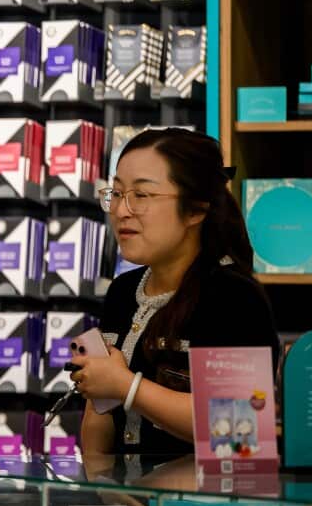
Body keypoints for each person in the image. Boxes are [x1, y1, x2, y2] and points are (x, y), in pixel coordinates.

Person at [72, 128, 279, 456]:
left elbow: (240, 430)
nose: (122, 210)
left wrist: (125, 386)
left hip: (205, 504)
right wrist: (106, 492)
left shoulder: (234, 297)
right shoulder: (123, 291)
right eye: (117, 193)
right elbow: (100, 423)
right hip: (130, 500)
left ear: (195, 210)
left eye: (141, 195)